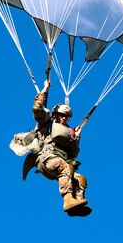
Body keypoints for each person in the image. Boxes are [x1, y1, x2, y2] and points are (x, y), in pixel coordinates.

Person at [13, 79, 91, 217]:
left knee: (80, 178)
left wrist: (76, 139)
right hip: (46, 160)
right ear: (55, 115)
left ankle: (77, 204)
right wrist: (45, 90)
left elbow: (72, 156)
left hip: (58, 163)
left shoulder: (68, 132)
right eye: (62, 116)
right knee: (64, 167)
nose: (65, 119)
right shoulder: (46, 123)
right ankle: (67, 200)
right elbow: (37, 108)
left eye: (67, 117)